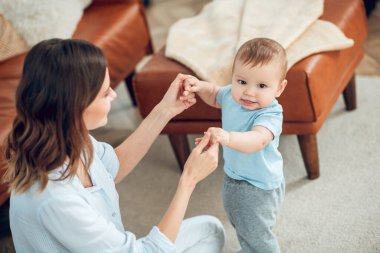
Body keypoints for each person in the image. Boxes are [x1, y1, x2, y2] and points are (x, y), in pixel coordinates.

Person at [3, 38, 225, 253]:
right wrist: (189, 180)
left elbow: (113, 167)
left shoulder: (70, 138)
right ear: (75, 106)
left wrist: (166, 109)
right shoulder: (54, 199)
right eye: (105, 92)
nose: (114, 94)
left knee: (210, 231)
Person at [183, 38, 288, 252]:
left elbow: (257, 140)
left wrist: (227, 138)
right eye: (241, 82)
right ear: (233, 78)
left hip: (258, 186)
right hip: (235, 175)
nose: (249, 92)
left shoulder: (270, 114)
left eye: (261, 85)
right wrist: (200, 86)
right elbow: (214, 94)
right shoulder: (232, 96)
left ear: (279, 88)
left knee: (257, 234)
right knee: (240, 222)